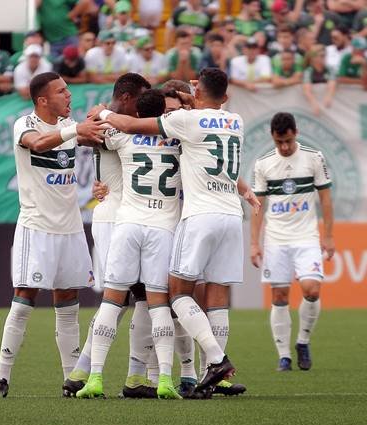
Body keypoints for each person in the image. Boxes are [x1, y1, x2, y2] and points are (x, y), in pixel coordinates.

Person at [92, 68, 253, 396]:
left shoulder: (184, 123)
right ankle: (214, 377)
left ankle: (216, 360)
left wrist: (103, 112)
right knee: (217, 296)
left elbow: (129, 125)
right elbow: (209, 107)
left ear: (197, 92)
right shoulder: (235, 120)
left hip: (196, 216)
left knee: (177, 293)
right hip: (232, 216)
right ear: (225, 96)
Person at [0, 72, 105, 397]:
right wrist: (75, 129)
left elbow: (103, 141)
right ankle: (2, 377)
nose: (69, 96)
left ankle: (72, 381)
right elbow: (37, 143)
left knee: (68, 304)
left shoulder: (70, 127)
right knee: (24, 301)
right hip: (36, 227)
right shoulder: (25, 125)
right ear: (43, 100)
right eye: (62, 91)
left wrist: (104, 119)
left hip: (70, 229)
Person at [75, 89, 182, 399]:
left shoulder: (122, 137)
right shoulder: (178, 138)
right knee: (157, 303)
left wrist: (100, 111)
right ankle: (164, 379)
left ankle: (94, 378)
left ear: (136, 113)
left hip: (127, 224)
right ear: (164, 112)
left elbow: (90, 129)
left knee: (112, 300)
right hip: (162, 227)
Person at [64, 72, 155, 399]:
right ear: (128, 98)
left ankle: (81, 372)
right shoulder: (122, 126)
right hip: (124, 217)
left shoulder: (99, 123)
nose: (143, 110)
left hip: (107, 216)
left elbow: (81, 133)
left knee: (119, 299)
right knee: (142, 295)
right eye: (141, 101)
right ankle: (133, 376)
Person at [250, 112, 334, 372]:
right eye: (279, 142)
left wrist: (329, 236)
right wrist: (254, 243)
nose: (284, 147)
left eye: (287, 141)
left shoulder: (314, 157)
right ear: (272, 138)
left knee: (311, 289)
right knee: (279, 296)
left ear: (295, 133)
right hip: (276, 239)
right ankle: (284, 355)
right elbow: (258, 206)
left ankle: (303, 341)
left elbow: (326, 200)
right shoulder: (263, 164)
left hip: (306, 236)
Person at [303, 46, 338, 114]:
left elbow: (332, 84)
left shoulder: (330, 69)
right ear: (314, 58)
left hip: (328, 105)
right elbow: (307, 90)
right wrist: (313, 103)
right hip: (312, 107)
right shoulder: (308, 71)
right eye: (322, 56)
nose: (324, 58)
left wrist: (329, 96)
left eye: (325, 55)